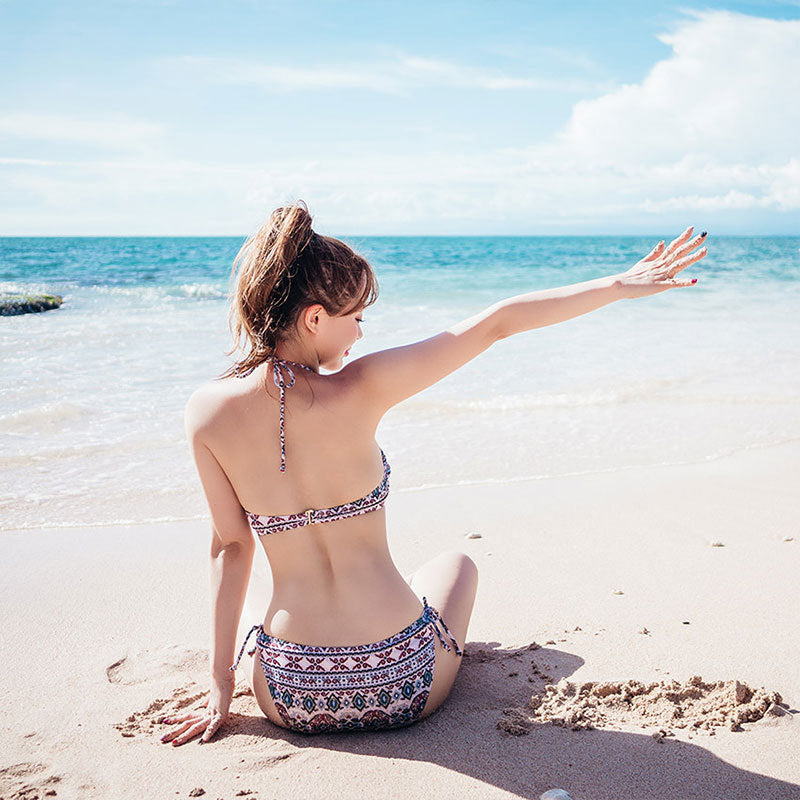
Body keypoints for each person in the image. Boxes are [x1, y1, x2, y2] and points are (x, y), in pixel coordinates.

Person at [159, 202, 707, 745]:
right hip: (404, 682)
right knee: (455, 565)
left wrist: (220, 684)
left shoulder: (207, 411)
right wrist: (618, 285)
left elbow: (230, 548)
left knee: (261, 602)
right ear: (314, 318)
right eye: (356, 318)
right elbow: (497, 323)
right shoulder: (362, 386)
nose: (359, 335)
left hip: (290, 695)